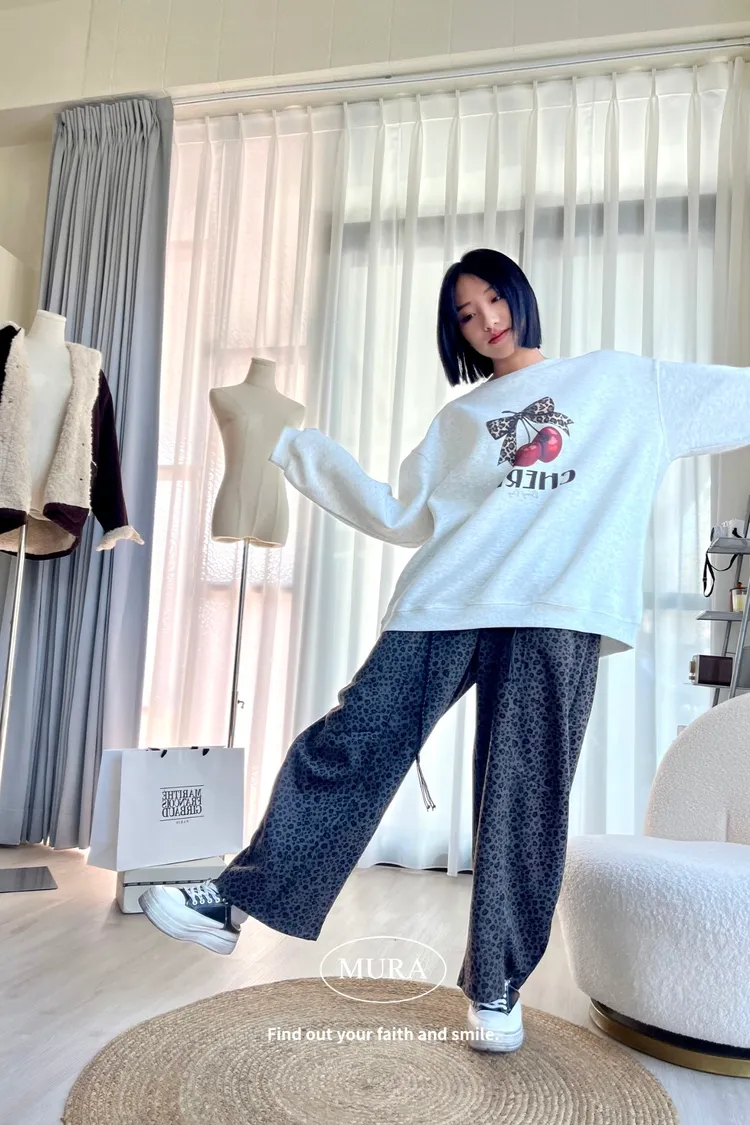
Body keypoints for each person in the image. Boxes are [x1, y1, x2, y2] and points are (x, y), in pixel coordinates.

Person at [139, 248, 750, 1054]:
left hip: (557, 609)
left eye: (493, 298)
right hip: (446, 599)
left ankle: (497, 984)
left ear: (519, 295)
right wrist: (296, 449)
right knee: (351, 740)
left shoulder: (622, 381)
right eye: (466, 314)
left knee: (524, 791)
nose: (487, 319)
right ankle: (235, 899)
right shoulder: (460, 421)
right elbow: (399, 514)